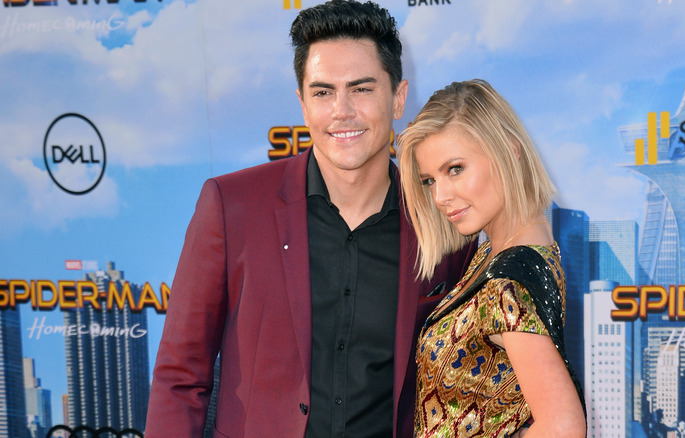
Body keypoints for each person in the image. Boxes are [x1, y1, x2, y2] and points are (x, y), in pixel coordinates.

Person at [145, 1, 474, 437]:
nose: (342, 110)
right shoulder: (231, 205)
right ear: (302, 104)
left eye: (361, 88)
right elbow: (181, 376)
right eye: (322, 92)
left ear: (398, 97)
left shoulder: (444, 223)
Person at [398, 79, 587, 437]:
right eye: (429, 180)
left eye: (454, 169)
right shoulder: (498, 253)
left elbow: (563, 427)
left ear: (509, 150)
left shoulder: (508, 283)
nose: (439, 197)